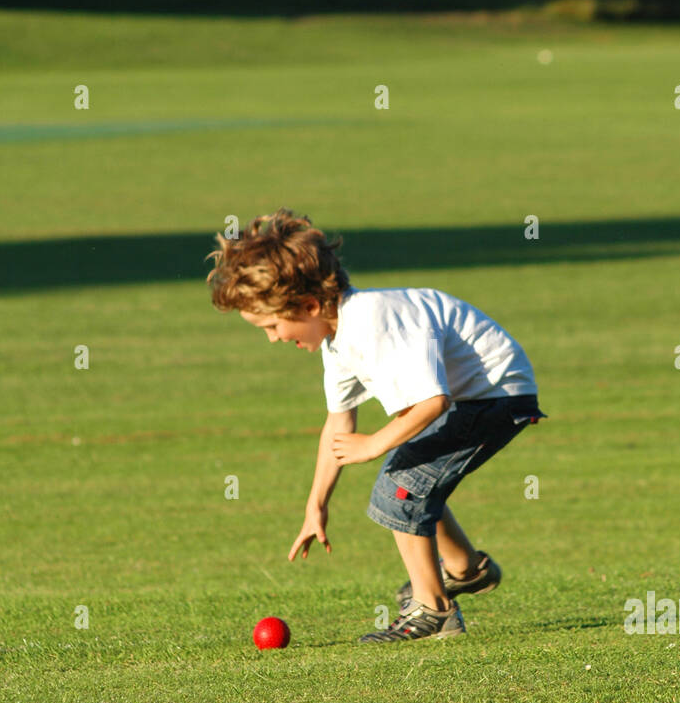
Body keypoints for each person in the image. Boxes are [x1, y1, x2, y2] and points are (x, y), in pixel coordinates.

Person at [207, 208, 546, 644]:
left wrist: (372, 447)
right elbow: (338, 423)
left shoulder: (373, 321)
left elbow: (431, 401)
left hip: (496, 395)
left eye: (272, 325)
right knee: (412, 476)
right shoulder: (338, 338)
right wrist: (317, 504)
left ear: (309, 305)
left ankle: (435, 610)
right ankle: (465, 569)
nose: (273, 338)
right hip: (478, 396)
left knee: (400, 485)